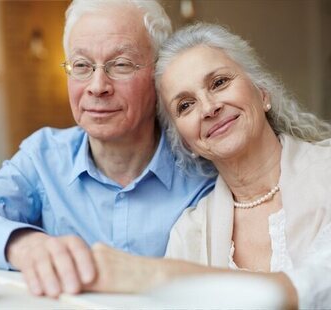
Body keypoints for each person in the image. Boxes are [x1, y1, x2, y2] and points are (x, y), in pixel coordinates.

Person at [0, 1, 214, 298]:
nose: (97, 86)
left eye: (120, 64)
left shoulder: (202, 161)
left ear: (159, 75)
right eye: (81, 66)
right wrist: (25, 244)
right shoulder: (44, 156)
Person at [82, 23, 331, 309]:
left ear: (262, 93)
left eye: (219, 83)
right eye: (185, 105)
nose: (209, 107)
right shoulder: (189, 231)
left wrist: (160, 275)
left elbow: (322, 285)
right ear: (185, 141)